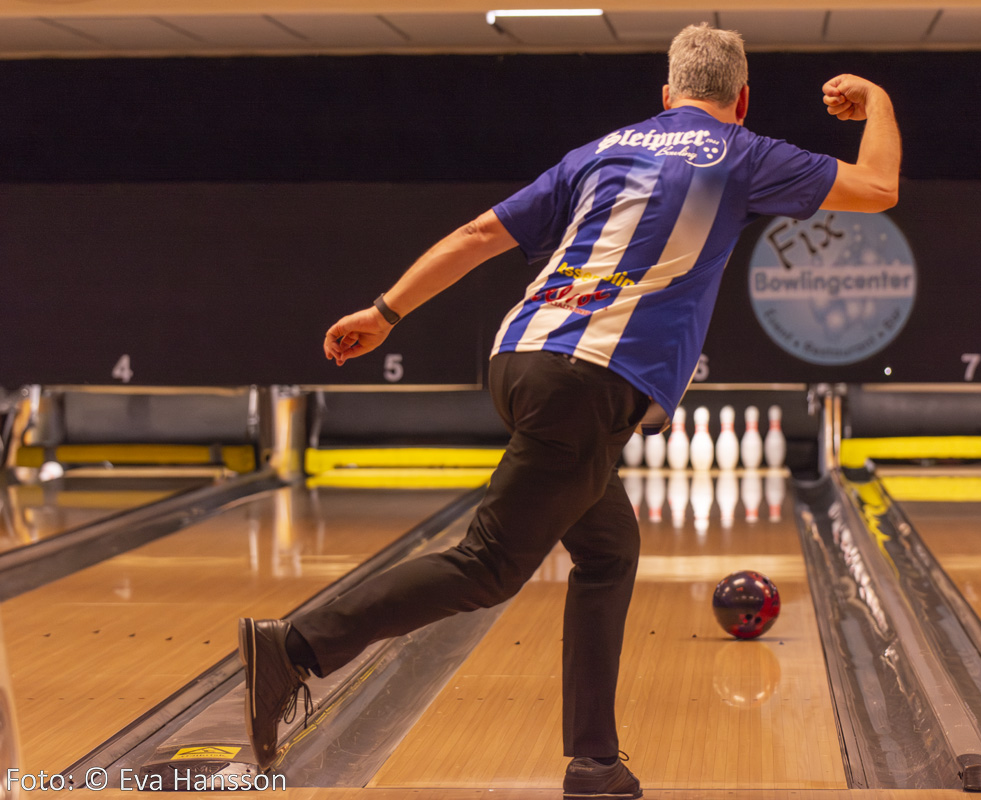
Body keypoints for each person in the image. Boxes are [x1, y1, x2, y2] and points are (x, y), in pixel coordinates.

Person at [238, 23, 900, 799]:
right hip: (587, 383)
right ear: (743, 100)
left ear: (666, 95)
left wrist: (386, 312)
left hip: (518, 359)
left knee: (609, 550)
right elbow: (878, 188)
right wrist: (879, 101)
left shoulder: (600, 151)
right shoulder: (742, 152)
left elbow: (478, 234)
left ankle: (594, 761)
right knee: (489, 565)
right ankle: (296, 647)